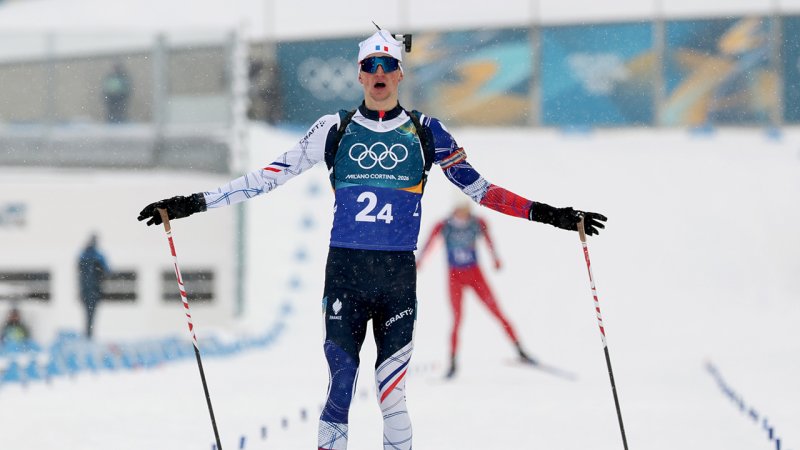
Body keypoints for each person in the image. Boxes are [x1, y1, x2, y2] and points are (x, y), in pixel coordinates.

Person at [137, 28, 606, 450]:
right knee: (341, 384)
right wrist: (190, 203)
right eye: (369, 66)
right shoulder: (333, 130)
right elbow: (266, 178)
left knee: (392, 392)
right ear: (360, 76)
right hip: (345, 273)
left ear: (399, 74)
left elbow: (481, 191)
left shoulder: (426, 132)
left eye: (387, 66)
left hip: (396, 277)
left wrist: (555, 216)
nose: (378, 73)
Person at [417, 202, 535, 378]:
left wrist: (495, 258)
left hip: (475, 276)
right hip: (455, 278)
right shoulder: (444, 225)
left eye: (466, 210)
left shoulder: (477, 222)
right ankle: (453, 363)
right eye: (460, 210)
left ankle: (520, 350)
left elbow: (489, 240)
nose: (464, 214)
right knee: (457, 319)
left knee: (497, 311)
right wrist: (421, 260)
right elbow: (430, 242)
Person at [78, 233, 110, 339]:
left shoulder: (83, 255)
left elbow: (79, 272)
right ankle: (89, 334)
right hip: (93, 290)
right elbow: (107, 270)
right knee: (91, 314)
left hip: (87, 290)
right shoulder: (98, 256)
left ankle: (88, 334)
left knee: (88, 314)